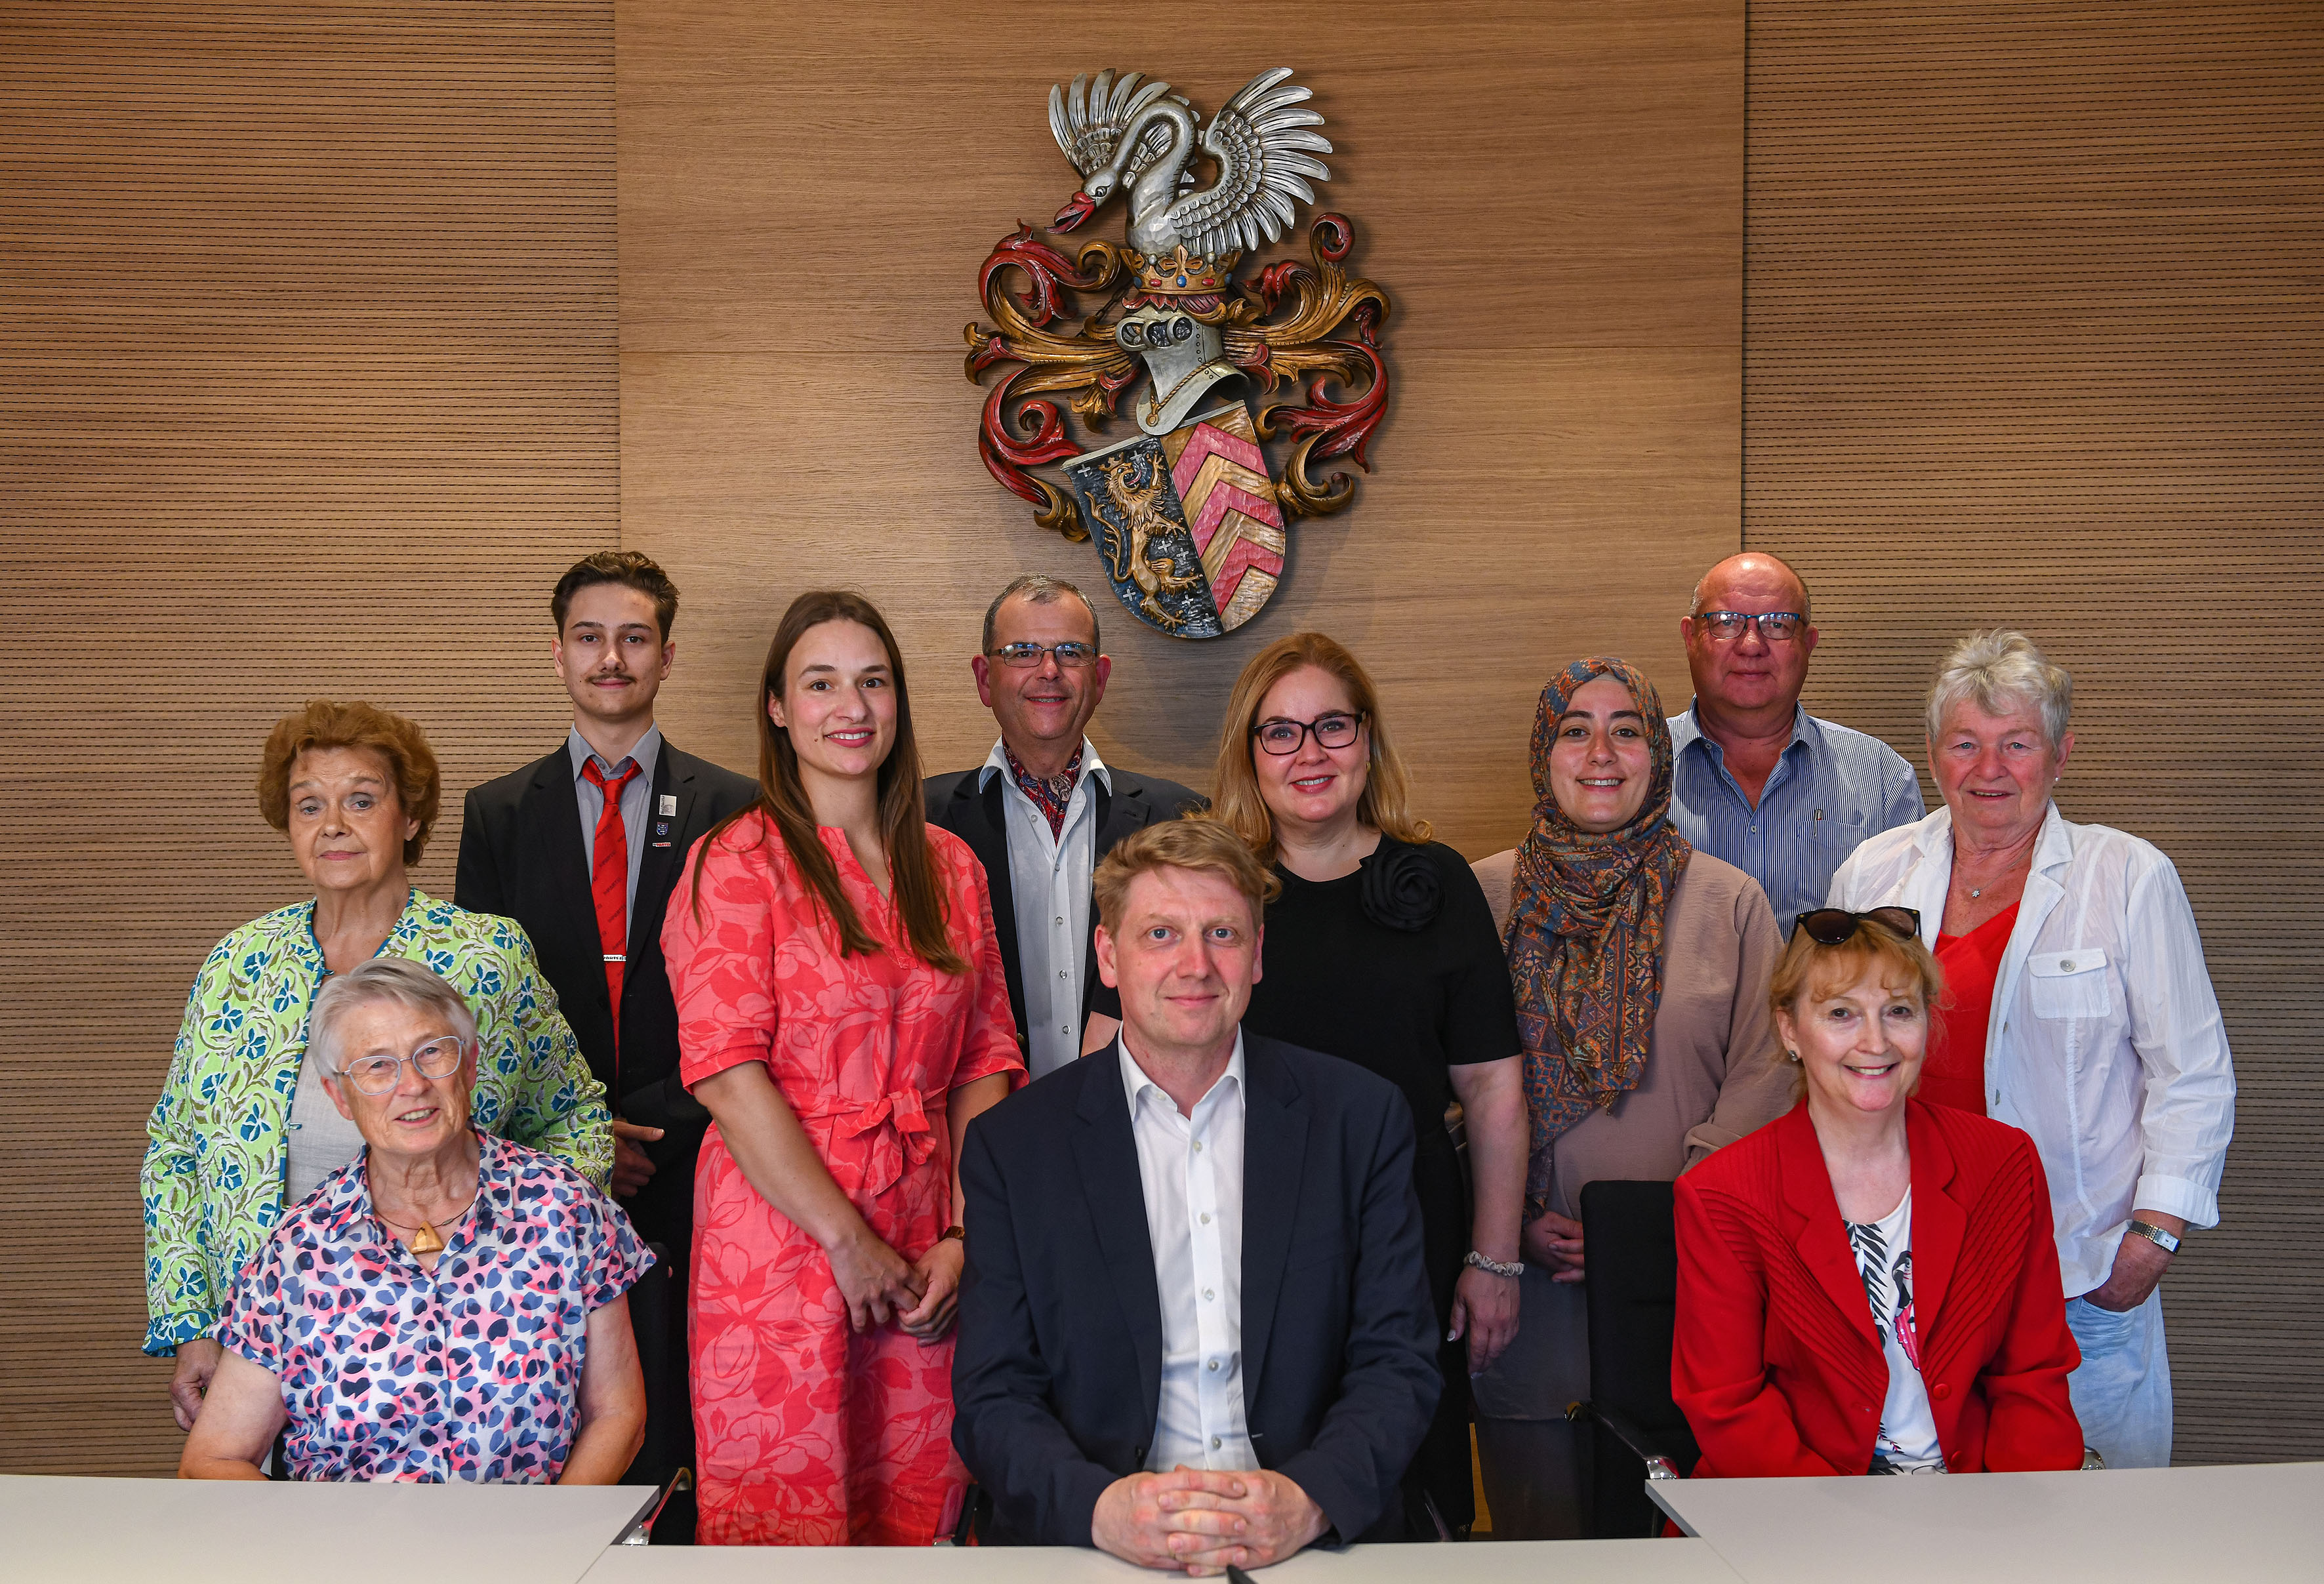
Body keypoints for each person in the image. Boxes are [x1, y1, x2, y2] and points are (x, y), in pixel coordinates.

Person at [1086, 631, 1522, 1539]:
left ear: (1367, 738)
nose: (1309, 751)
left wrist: (1491, 1258)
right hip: (1223, 1232)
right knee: (1240, 1465)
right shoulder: (1203, 892)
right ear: (1248, 752)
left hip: (1404, 1234)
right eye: (1279, 731)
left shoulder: (1434, 881)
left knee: (1393, 1474)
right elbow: (1105, 1063)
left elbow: (1489, 1087)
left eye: (1330, 724)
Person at [953, 818, 1442, 1566]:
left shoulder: (1359, 1120)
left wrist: (1309, 1501)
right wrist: (1102, 1510)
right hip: (1100, 1548)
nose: (1196, 965)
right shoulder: (1015, 1148)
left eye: (1222, 933)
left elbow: (1397, 1364)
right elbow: (994, 1397)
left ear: (1257, 957)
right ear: (1108, 957)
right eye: (1160, 935)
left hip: (1309, 1545)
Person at [661, 589, 1026, 1545]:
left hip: (926, 1229)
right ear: (777, 707)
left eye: (872, 681)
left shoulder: (950, 865)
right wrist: (843, 1237)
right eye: (819, 683)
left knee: (924, 1504)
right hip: (781, 1234)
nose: (849, 706)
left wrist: (961, 1231)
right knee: (788, 1514)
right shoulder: (731, 862)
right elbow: (726, 1074)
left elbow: (986, 1059)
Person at [143, 699, 611, 1435]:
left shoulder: (485, 957)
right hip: (261, 1343)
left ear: (412, 818)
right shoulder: (237, 966)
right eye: (309, 805)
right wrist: (194, 1325)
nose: (333, 823)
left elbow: (573, 1116)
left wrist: (533, 1265)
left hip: (461, 1335)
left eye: (361, 799)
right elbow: (174, 1152)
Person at [1827, 629, 2234, 1469]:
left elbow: (2192, 1074)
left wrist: (2153, 1237)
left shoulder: (2127, 876)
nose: (1990, 770)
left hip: (2080, 1269)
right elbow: (1834, 1063)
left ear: (2061, 754)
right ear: (1932, 756)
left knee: (2095, 1521)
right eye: (1965, 744)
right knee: (1923, 1518)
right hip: (1903, 1271)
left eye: (2017, 744)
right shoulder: (1873, 874)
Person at [1467, 657, 1793, 1539]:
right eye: (1574, 727)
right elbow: (1449, 1081)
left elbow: (1768, 1074)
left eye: (1627, 729)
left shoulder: (1730, 900)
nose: (1600, 750)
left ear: (1658, 753)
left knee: (1684, 1542)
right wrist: (1513, 1220)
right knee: (1540, 1544)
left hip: (1687, 1282)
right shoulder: (1478, 895)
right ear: (1543, 752)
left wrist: (1658, 1222)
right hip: (1527, 1288)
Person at [179, 958, 651, 1482]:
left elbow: (618, 1415)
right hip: (354, 1553)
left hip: (529, 1546)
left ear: (469, 1066)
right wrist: (318, 1552)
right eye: (377, 1065)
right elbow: (212, 1459)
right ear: (340, 1095)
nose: (412, 1084)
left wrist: (551, 1549)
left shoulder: (564, 1208)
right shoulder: (297, 1252)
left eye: (431, 1053)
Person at [1672, 908, 2085, 1476]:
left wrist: (2016, 1533)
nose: (1875, 1041)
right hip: (1800, 1514)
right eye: (1841, 1013)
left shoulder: (2000, 1161)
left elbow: (2031, 1376)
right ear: (1790, 1029)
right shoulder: (1722, 1193)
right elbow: (1728, 1405)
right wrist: (1849, 1548)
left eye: (1897, 1011)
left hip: (1978, 1508)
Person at [457, 550, 757, 1255]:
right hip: (542, 1168)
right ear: (558, 656)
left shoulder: (737, 806)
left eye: (635, 637)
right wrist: (578, 1137)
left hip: (701, 1146)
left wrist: (669, 1123)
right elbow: (482, 1008)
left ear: (667, 657)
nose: (612, 657)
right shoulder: (496, 814)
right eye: (589, 637)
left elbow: (752, 991)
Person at [926, 574, 1201, 1078]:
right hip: (977, 1127)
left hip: (1136, 1126)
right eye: (1023, 651)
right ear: (985, 679)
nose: (1048, 670)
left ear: (1099, 677)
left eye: (1070, 652)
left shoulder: (1178, 817)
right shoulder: (917, 823)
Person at [1669, 552, 1923, 929]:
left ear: (1809, 643)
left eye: (1778, 625)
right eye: (1726, 622)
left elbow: (1898, 949)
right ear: (1691, 637)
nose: (1751, 644)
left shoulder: (1882, 778)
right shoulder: (1635, 767)